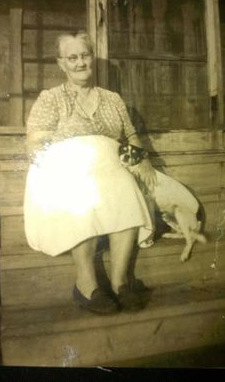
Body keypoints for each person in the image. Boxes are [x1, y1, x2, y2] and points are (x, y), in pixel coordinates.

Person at [24, 31, 157, 315]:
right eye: (72, 58)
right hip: (68, 173)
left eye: (85, 55)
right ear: (61, 64)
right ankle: (86, 285)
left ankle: (121, 282)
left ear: (91, 58)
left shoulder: (112, 99)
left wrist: (141, 162)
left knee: (125, 189)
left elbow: (131, 137)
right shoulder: (51, 99)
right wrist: (54, 169)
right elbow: (35, 142)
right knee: (80, 195)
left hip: (109, 171)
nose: (80, 63)